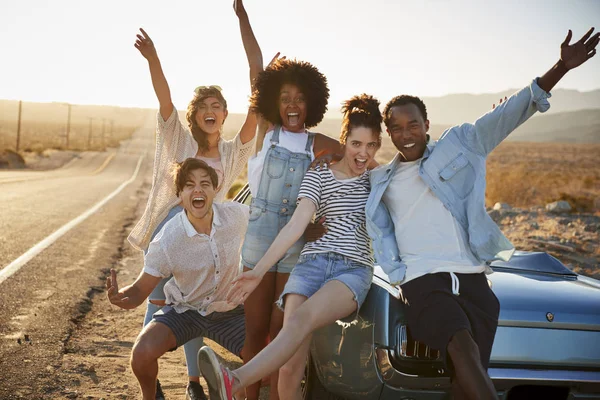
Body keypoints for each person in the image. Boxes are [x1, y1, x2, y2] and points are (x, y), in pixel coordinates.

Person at [365, 28, 599, 400]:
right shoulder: (379, 180)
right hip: (423, 280)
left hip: (474, 279)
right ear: (388, 133)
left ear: (427, 124)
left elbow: (512, 112)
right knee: (463, 349)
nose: (405, 133)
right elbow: (340, 181)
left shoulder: (462, 143)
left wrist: (561, 67)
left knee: (464, 377)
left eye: (412, 124)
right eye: (395, 127)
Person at [197, 94, 383, 400]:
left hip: (350, 269)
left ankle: (236, 380)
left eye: (370, 146)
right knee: (289, 367)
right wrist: (257, 272)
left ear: (377, 147)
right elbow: (295, 226)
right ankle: (238, 382)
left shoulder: (375, 180)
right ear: (344, 141)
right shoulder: (319, 173)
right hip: (309, 266)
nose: (362, 154)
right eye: (356, 144)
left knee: (298, 320)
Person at [125, 1, 263, 398]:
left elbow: (257, 105)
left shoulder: (234, 153)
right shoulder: (181, 142)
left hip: (209, 228)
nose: (211, 111)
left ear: (223, 115)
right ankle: (148, 371)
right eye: (203, 107)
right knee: (159, 303)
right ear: (194, 116)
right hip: (173, 228)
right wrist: (154, 59)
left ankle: (191, 381)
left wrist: (247, 29)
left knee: (199, 300)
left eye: (217, 106)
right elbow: (164, 100)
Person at [239, 58, 342, 400]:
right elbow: (255, 71)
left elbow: (356, 157)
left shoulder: (316, 142)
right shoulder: (268, 131)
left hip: (295, 246)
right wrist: (243, 17)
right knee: (254, 330)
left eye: (299, 98)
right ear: (274, 102)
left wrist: (317, 216)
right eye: (284, 97)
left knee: (278, 330)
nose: (292, 105)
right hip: (257, 241)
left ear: (311, 103)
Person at [107, 158, 249, 400]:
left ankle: (229, 387)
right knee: (141, 354)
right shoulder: (168, 239)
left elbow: (271, 222)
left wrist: (306, 229)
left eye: (205, 184)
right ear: (180, 194)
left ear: (215, 190)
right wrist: (122, 298)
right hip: (186, 311)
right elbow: (141, 290)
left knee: (272, 362)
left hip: (230, 311)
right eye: (189, 185)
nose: (198, 190)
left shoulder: (235, 216)